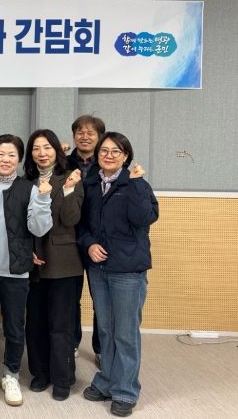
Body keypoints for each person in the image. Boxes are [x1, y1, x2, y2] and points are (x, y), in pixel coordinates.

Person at [79, 132, 158, 418]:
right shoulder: (90, 184)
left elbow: (144, 218)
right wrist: (89, 244)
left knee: (125, 332)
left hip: (127, 270)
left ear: (125, 156)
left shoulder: (137, 184)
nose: (109, 155)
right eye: (104, 151)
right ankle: (106, 382)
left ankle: (125, 391)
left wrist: (135, 183)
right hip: (98, 269)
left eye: (116, 151)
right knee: (105, 329)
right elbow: (81, 225)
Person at [0, 134, 53, 407]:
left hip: (16, 272)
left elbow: (39, 229)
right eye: (0, 154)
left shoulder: (29, 188)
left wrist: (43, 198)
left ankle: (11, 374)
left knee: (14, 327)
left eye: (11, 155)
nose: (5, 159)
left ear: (19, 159)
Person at [22, 129, 84, 401]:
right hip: (34, 264)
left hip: (64, 263)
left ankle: (62, 378)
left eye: (47, 147)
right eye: (36, 148)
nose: (42, 153)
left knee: (60, 325)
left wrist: (68, 190)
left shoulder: (69, 178)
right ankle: (40, 374)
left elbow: (71, 219)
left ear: (57, 150)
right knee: (35, 324)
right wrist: (26, 252)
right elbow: (19, 223)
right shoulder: (26, 182)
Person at [67, 114, 105, 364]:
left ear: (99, 137)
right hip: (69, 238)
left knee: (100, 297)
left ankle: (100, 347)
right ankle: (71, 342)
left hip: (96, 240)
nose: (85, 136)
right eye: (80, 132)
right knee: (71, 297)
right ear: (73, 136)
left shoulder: (107, 163)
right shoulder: (63, 162)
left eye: (91, 133)